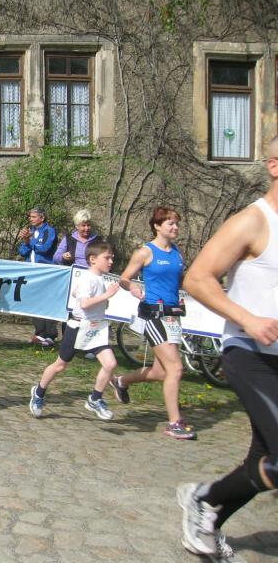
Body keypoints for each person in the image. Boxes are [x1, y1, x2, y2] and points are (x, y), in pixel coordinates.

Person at [176, 135, 278, 561]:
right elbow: (197, 278)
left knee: (266, 459)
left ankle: (208, 516)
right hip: (250, 355)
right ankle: (203, 498)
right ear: (274, 166)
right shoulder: (253, 221)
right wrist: (248, 319)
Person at [109, 206, 196, 439]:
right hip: (154, 316)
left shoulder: (177, 253)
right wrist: (132, 287)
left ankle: (121, 381)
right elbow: (124, 278)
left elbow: (179, 281)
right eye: (170, 223)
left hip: (173, 316)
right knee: (175, 368)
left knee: (160, 372)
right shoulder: (145, 252)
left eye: (177, 223)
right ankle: (174, 423)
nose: (175, 227)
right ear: (157, 226)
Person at [29, 241, 119, 420]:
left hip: (96, 328)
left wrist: (101, 299)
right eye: (107, 258)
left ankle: (95, 399)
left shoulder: (98, 278)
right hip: (78, 328)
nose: (111, 262)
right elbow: (84, 303)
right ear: (93, 259)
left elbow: (78, 295)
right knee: (60, 365)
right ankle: (38, 392)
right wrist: (106, 295)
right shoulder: (88, 278)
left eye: (112, 258)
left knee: (110, 364)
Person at [17, 207, 59, 346]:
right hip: (32, 272)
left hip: (45, 271)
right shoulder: (31, 231)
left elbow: (45, 248)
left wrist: (30, 242)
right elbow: (22, 251)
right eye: (30, 217)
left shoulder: (49, 231)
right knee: (36, 302)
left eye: (33, 217)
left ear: (42, 218)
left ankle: (50, 335)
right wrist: (26, 241)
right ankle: (40, 333)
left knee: (48, 302)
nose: (31, 219)